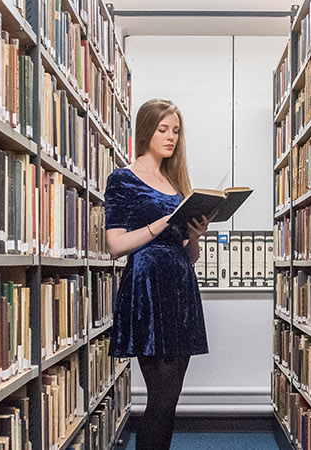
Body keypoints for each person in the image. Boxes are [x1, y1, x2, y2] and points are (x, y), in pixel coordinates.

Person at [103, 98, 209, 450]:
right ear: (145, 130)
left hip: (180, 287)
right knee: (161, 397)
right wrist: (159, 224)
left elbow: (189, 255)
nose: (171, 137)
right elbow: (115, 245)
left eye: (176, 131)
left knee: (172, 397)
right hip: (148, 289)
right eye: (163, 129)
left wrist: (194, 236)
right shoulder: (123, 179)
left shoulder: (177, 183)